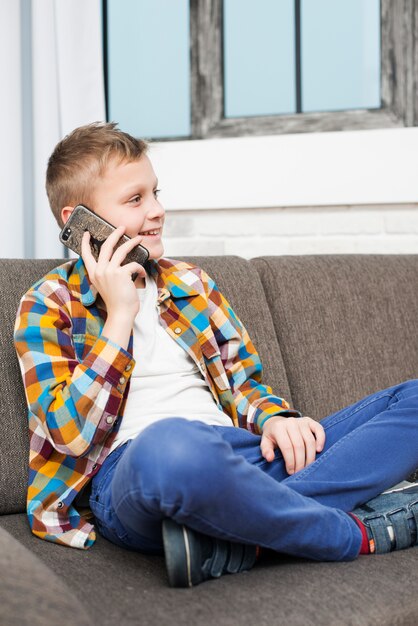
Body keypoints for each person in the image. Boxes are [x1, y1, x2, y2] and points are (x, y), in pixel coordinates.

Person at [14, 122, 418, 588]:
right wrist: (120, 316)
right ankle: (350, 534)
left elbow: (245, 386)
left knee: (411, 400)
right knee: (173, 445)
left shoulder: (193, 285)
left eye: (156, 193)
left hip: (239, 458)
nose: (158, 211)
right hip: (141, 471)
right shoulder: (46, 303)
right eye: (135, 199)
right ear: (79, 220)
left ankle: (243, 534)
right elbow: (67, 434)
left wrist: (273, 420)